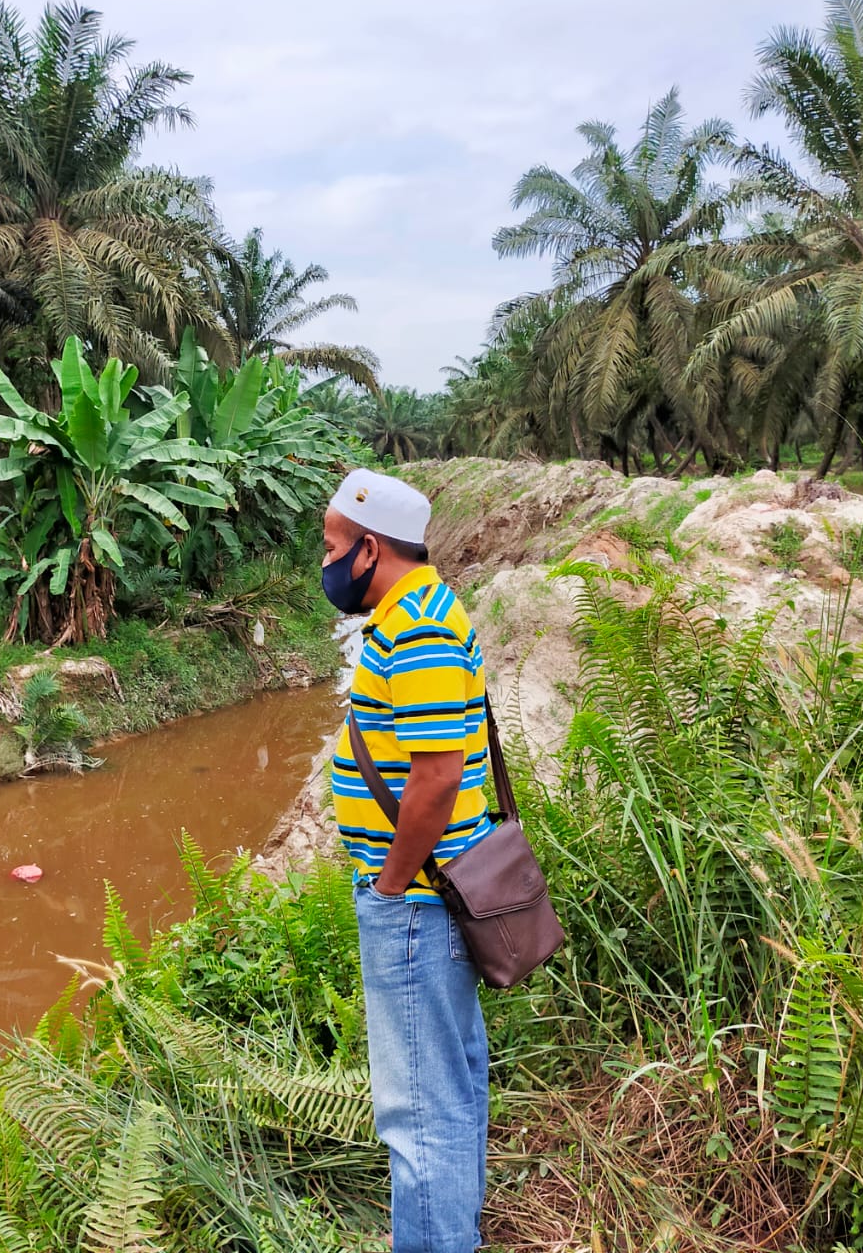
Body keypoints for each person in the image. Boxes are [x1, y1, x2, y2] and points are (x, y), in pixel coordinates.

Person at [322, 467, 492, 1253]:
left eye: (331, 548)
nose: (324, 566)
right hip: (432, 893)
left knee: (418, 1113)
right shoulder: (421, 610)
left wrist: (390, 883)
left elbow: (437, 774)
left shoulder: (416, 626)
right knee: (447, 1093)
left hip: (417, 904)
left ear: (369, 547)